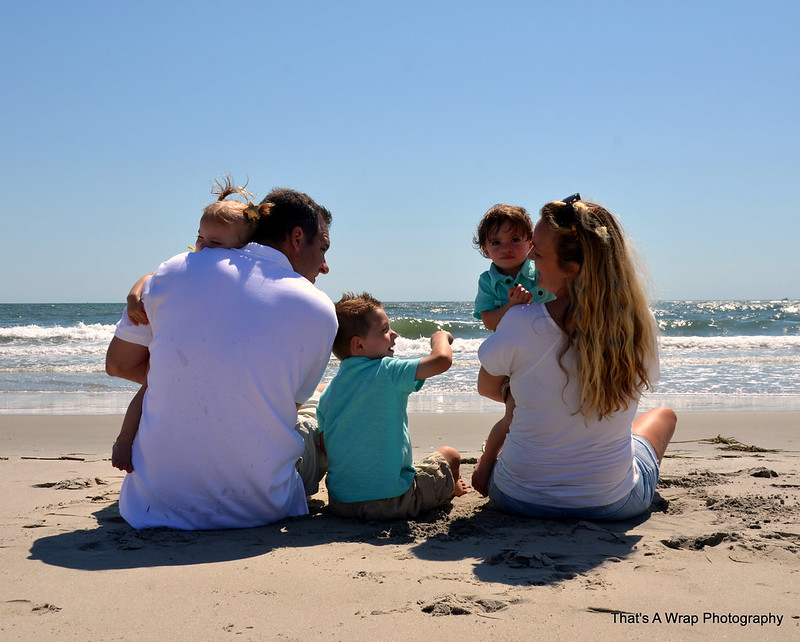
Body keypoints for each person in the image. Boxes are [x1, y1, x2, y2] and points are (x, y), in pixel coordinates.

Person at [105, 185, 337, 530]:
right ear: (298, 237)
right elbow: (288, 396)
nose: (326, 266)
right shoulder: (318, 307)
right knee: (316, 409)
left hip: (151, 504)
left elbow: (119, 364)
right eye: (323, 248)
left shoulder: (171, 271)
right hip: (262, 506)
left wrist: (191, 375)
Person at [471, 194, 677, 521]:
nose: (531, 260)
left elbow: (486, 387)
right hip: (612, 505)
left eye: (537, 253)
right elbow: (642, 383)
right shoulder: (638, 323)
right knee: (664, 416)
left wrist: (533, 394)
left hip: (516, 497)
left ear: (572, 267)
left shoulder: (521, 320)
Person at [111, 176, 258, 473]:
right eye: (200, 238)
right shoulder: (189, 264)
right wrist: (132, 298)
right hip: (174, 359)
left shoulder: (242, 274)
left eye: (215, 243)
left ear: (244, 248)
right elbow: (150, 277)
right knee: (150, 389)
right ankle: (124, 442)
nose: (203, 247)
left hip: (205, 359)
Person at [318, 292, 468, 520]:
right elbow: (441, 361)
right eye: (384, 330)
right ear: (358, 344)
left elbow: (325, 444)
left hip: (342, 502)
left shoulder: (329, 391)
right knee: (450, 455)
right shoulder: (387, 369)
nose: (394, 334)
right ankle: (451, 488)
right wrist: (440, 337)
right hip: (393, 501)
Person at [472, 204, 556, 459]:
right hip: (513, 358)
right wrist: (511, 306)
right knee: (514, 411)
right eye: (496, 243)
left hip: (548, 351)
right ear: (486, 250)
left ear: (531, 242)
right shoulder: (488, 281)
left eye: (515, 239)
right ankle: (491, 457)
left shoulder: (541, 270)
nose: (506, 248)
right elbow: (489, 321)